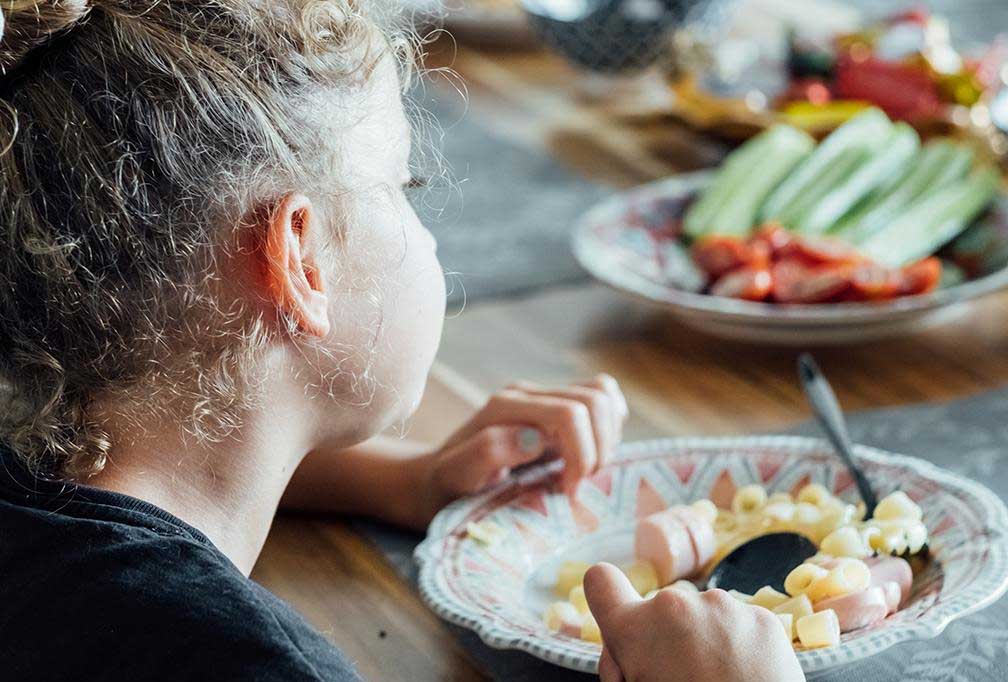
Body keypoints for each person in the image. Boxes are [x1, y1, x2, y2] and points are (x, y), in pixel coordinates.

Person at [0, 1, 805, 681]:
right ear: (299, 259)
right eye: (402, 185)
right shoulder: (249, 661)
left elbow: (170, 457)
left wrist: (402, 483)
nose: (425, 237)